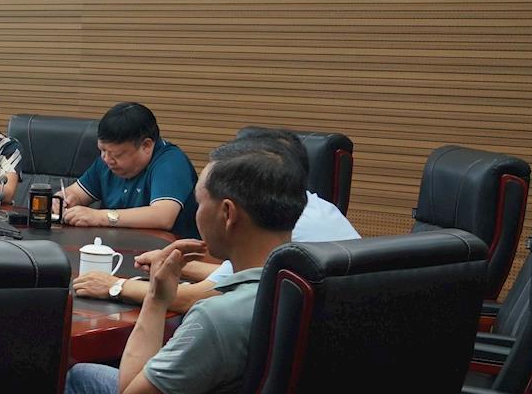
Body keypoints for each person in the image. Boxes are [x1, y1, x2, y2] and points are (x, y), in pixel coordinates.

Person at [60, 136, 308, 394]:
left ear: (227, 213)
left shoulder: (218, 316)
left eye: (199, 201)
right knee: (80, 378)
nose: (195, 212)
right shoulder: (307, 285)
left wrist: (157, 299)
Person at [73, 130, 358, 312]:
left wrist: (115, 285)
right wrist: (179, 265)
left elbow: (198, 297)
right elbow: (249, 278)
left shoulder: (277, 224)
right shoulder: (313, 208)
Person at [58, 101, 199, 238]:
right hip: (115, 245)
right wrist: (62, 200)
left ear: (146, 146)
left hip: (167, 250)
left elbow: (163, 216)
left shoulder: (171, 162)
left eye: (117, 155)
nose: (106, 159)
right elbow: (75, 193)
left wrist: (99, 217)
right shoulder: (107, 159)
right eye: (102, 150)